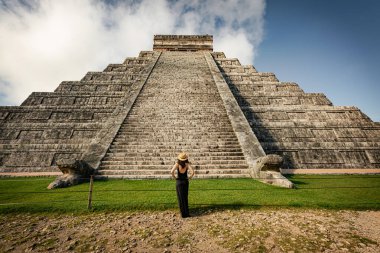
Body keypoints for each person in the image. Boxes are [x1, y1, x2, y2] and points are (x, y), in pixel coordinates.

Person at [170, 152, 195, 218]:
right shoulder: (187, 164)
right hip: (185, 181)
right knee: (185, 197)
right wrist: (189, 178)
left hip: (179, 182)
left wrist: (175, 178)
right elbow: (192, 172)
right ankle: (187, 213)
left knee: (180, 198)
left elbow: (171, 171)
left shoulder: (177, 164)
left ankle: (183, 214)